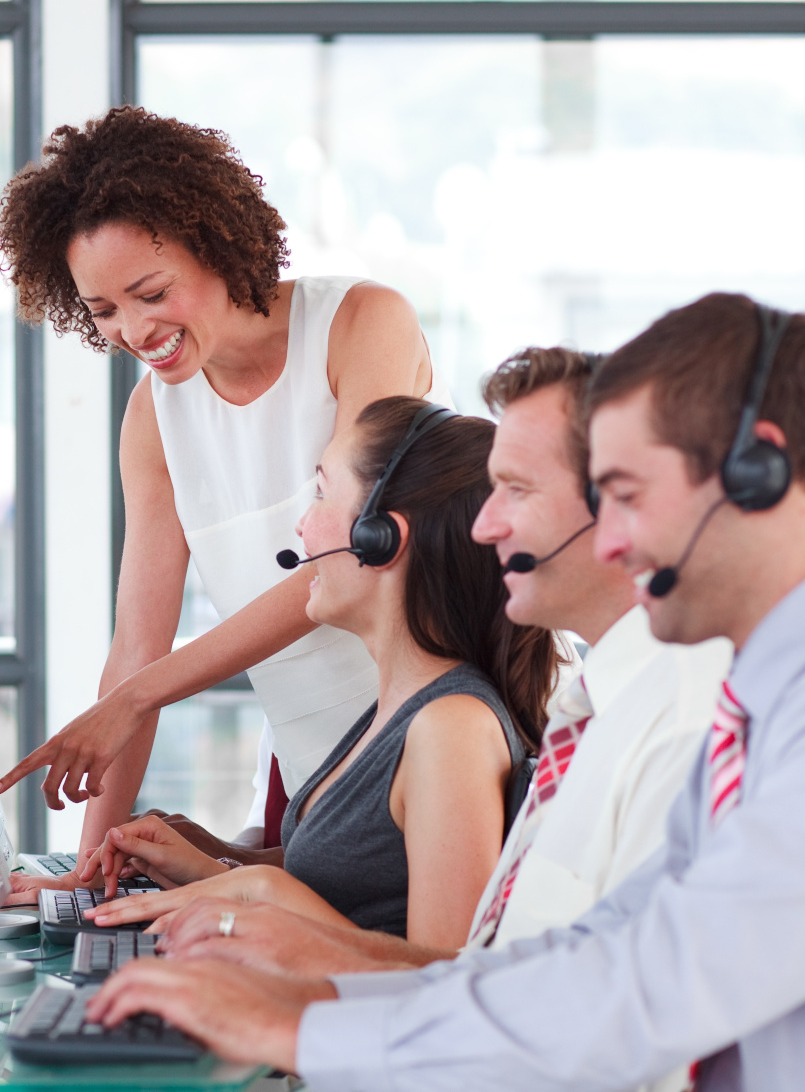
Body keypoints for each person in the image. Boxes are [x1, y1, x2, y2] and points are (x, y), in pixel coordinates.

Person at [85, 293, 805, 1092]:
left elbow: (657, 982)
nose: (607, 540)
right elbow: (575, 959)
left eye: (627, 497)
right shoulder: (745, 690)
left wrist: (301, 1023)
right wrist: (312, 987)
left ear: (758, 471)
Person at [143, 347, 730, 1004]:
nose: (487, 523)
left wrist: (262, 900)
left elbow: (480, 983)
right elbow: (495, 971)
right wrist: (227, 873)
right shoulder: (592, 712)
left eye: (518, 489)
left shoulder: (673, 724)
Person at [0, 109, 451, 892]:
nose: (135, 329)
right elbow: (137, 646)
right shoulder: (153, 418)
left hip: (440, 746)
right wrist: (83, 871)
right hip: (318, 776)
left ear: (214, 240)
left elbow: (345, 563)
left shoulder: (361, 326)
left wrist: (136, 698)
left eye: (151, 292)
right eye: (103, 313)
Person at [80, 398, 559, 950]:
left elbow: (445, 975)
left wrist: (258, 888)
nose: (302, 526)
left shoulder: (452, 728)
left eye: (323, 494)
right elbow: (354, 899)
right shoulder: (401, 707)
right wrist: (212, 867)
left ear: (381, 537)